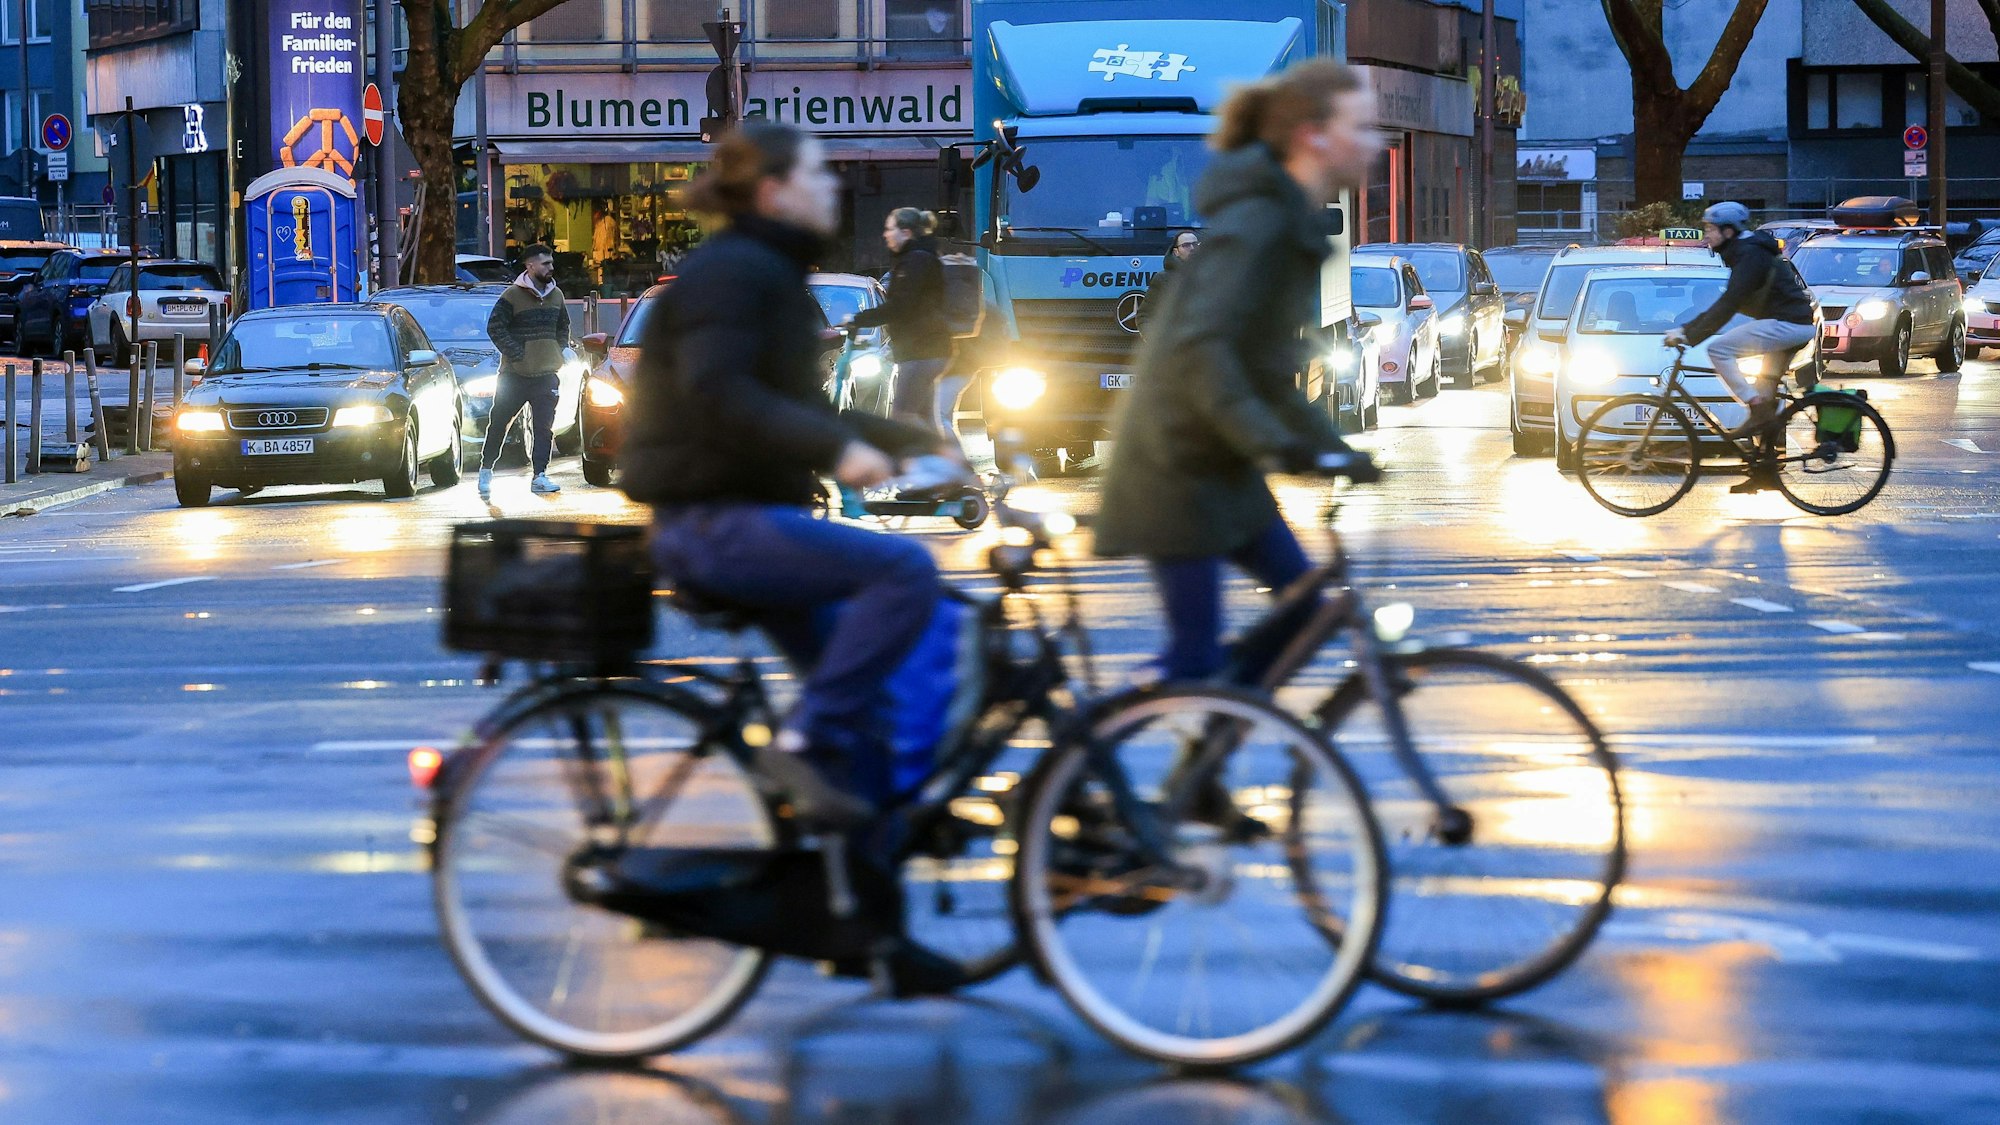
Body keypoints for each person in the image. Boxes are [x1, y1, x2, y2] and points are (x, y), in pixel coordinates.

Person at [622, 122, 946, 829]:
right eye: (818, 175)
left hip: (748, 515)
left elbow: (801, 407)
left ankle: (854, 890)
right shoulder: (736, 273)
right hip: (715, 521)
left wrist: (920, 444)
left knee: (868, 706)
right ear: (774, 192)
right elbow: (722, 392)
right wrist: (839, 454)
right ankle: (799, 742)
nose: (835, 186)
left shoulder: (769, 271)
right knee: (905, 575)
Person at [1095, 58, 1379, 685]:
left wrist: (1335, 450)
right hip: (1175, 466)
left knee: (1305, 611)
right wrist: (1278, 445)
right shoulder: (1261, 223)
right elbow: (1205, 352)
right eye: (1361, 126)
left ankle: (1207, 752)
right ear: (1313, 136)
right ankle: (1120, 753)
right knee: (1195, 665)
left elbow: (1270, 376)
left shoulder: (1286, 220)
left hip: (1217, 468)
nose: (1375, 143)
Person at [1663, 201, 1816, 491]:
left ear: (1729, 231)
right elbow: (1726, 303)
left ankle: (1756, 407)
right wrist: (1688, 329)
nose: (1706, 235)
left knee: (1718, 350)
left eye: (1710, 229)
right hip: (1787, 322)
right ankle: (1764, 472)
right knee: (1767, 399)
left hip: (1788, 324)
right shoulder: (1744, 252)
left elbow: (1728, 304)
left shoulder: (1750, 255)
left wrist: (1687, 333)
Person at [851, 208, 958, 438]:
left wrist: (861, 319)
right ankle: (948, 468)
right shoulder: (917, 258)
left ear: (906, 232)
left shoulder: (916, 260)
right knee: (925, 417)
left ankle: (920, 467)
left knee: (903, 415)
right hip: (928, 349)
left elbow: (901, 305)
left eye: (890, 229)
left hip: (922, 350)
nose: (885, 234)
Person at [481, 244, 569, 498]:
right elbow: (495, 327)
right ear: (530, 266)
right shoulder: (511, 296)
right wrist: (517, 354)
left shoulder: (557, 296)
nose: (551, 268)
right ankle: (486, 470)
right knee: (499, 423)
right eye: (545, 264)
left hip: (546, 373)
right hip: (514, 375)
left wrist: (559, 349)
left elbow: (563, 326)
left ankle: (539, 475)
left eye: (551, 263)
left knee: (544, 428)